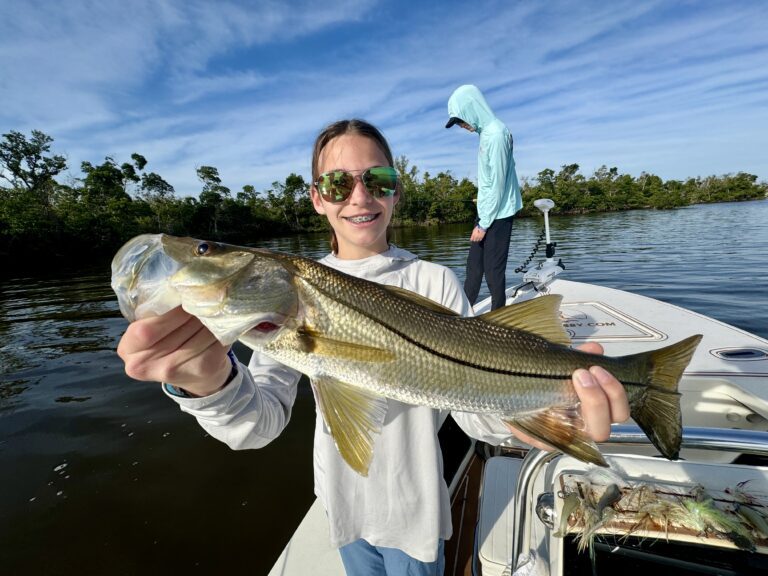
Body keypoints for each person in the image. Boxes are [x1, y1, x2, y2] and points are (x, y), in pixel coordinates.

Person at [117, 119, 630, 576]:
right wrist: (210, 384)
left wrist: (533, 415)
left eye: (377, 180)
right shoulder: (278, 313)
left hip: (416, 511)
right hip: (342, 508)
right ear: (317, 198)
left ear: (395, 194)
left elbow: (472, 414)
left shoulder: (434, 280)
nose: (359, 197)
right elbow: (260, 424)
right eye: (338, 183)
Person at [446, 84, 521, 311]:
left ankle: (499, 318)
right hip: (487, 213)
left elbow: (497, 183)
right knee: (474, 268)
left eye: (460, 120)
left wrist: (484, 223)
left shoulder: (496, 134)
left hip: (497, 216)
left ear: (472, 109)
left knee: (493, 271)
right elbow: (490, 182)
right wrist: (482, 211)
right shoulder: (486, 134)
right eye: (457, 123)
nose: (461, 126)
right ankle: (463, 314)